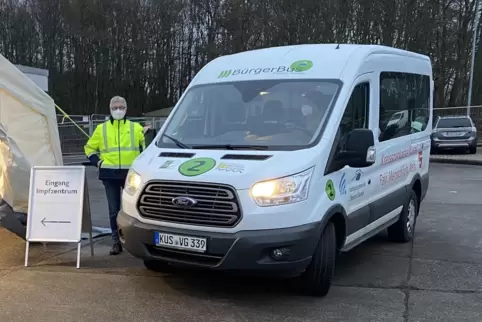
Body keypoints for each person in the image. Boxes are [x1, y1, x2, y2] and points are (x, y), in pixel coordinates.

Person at [84, 96, 146, 255]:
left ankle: (134, 240)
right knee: (113, 210)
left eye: (121, 107)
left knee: (132, 210)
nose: (118, 110)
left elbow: (145, 150)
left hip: (131, 176)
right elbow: (89, 148)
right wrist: (97, 162)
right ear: (110, 110)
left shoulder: (136, 128)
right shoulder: (102, 129)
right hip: (109, 175)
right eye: (115, 107)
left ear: (126, 109)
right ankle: (116, 241)